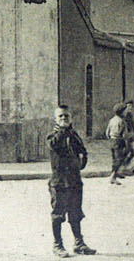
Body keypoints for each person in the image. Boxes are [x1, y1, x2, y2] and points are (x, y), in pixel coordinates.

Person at [49, 105, 96, 256]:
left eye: (66, 116)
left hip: (74, 180)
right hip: (60, 181)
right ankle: (58, 245)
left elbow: (82, 150)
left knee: (75, 212)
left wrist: (82, 160)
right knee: (58, 214)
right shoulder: (53, 135)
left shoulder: (74, 135)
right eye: (60, 116)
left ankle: (79, 243)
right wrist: (63, 130)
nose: (64, 119)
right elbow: (54, 145)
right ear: (55, 119)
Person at [106, 101, 134, 185]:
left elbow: (107, 132)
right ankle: (113, 177)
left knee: (115, 159)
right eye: (125, 110)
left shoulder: (112, 120)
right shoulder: (122, 122)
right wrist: (131, 135)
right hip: (119, 142)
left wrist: (111, 139)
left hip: (112, 141)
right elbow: (124, 135)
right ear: (122, 112)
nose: (126, 112)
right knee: (119, 159)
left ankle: (116, 173)